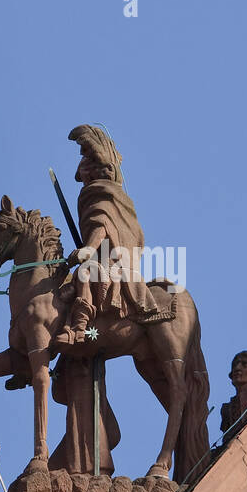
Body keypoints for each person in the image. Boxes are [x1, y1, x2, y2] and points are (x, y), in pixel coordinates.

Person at [55, 124, 170, 347]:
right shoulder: (94, 194)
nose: (83, 172)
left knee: (86, 273)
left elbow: (103, 224)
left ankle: (78, 328)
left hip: (111, 258)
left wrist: (88, 249)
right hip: (104, 254)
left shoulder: (104, 195)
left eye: (87, 153)